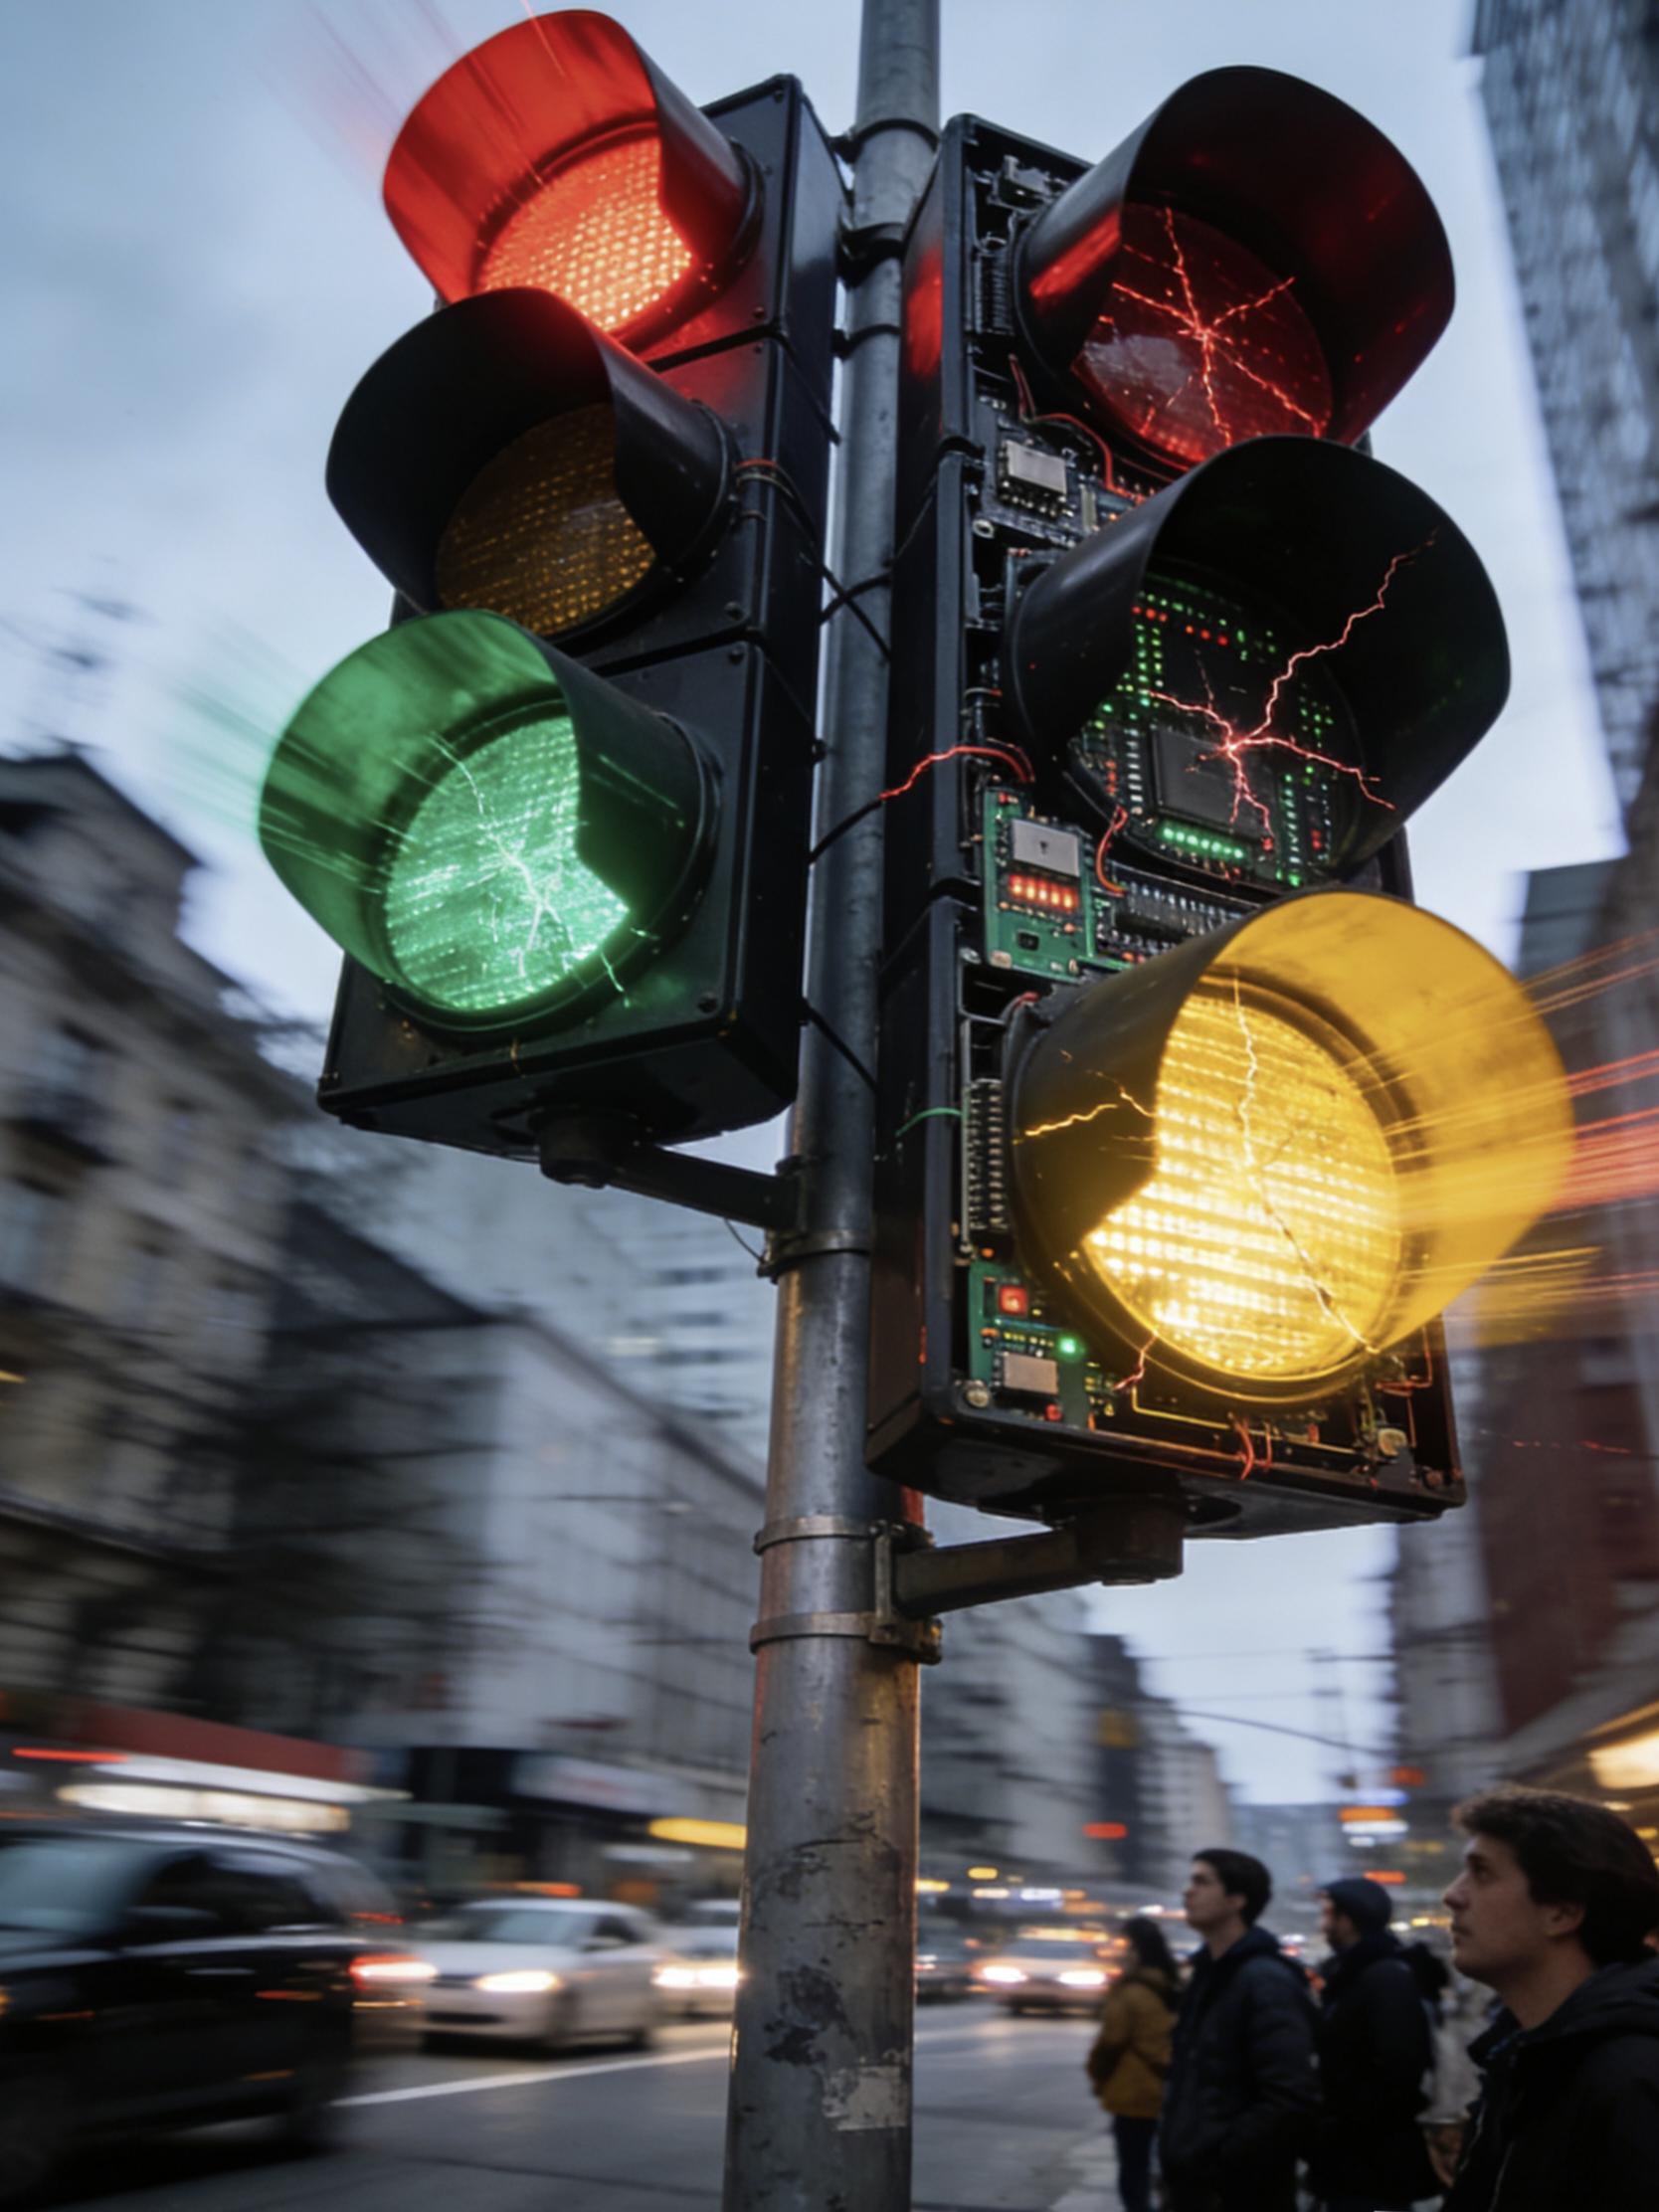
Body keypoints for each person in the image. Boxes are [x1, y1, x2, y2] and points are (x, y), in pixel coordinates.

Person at [1440, 1784, 1659, 2210]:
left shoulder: (1632, 2079)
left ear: (1561, 1912)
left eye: (1481, 1873)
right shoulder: (1525, 2058)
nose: (1453, 1895)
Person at [1158, 1847, 1319, 2212]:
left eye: (1202, 1882)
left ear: (1236, 1900)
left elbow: (1289, 2095)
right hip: (1193, 2187)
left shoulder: (1264, 1979)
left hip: (1237, 2192)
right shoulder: (1208, 1973)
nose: (1187, 1891)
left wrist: (1217, 2163)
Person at [1305, 1874, 1439, 2212]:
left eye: (1328, 1915)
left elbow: (1402, 2067)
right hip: (1353, 2156)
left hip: (1371, 2161)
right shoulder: (1354, 1975)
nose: (1323, 1926)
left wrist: (1349, 2116)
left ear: (1349, 1919)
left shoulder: (1383, 1977)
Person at [1085, 1916, 1180, 2212]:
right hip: (1167, 2092)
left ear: (1136, 1950)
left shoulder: (1131, 1992)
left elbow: (1112, 2040)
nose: (1118, 1953)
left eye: (1123, 1946)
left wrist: (1096, 2072)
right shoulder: (1169, 1984)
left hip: (1135, 2094)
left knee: (1133, 2172)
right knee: (1161, 2166)